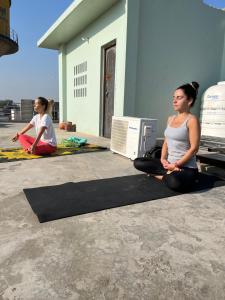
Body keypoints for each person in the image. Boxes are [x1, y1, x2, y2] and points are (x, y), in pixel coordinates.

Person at [134, 82, 201, 192]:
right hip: (168, 164)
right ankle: (167, 174)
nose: (174, 101)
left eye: (179, 98)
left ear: (189, 101)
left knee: (175, 182)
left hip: (184, 168)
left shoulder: (192, 120)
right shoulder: (170, 119)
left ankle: (163, 175)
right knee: (138, 162)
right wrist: (163, 159)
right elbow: (166, 142)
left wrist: (176, 165)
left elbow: (194, 148)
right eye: (174, 97)